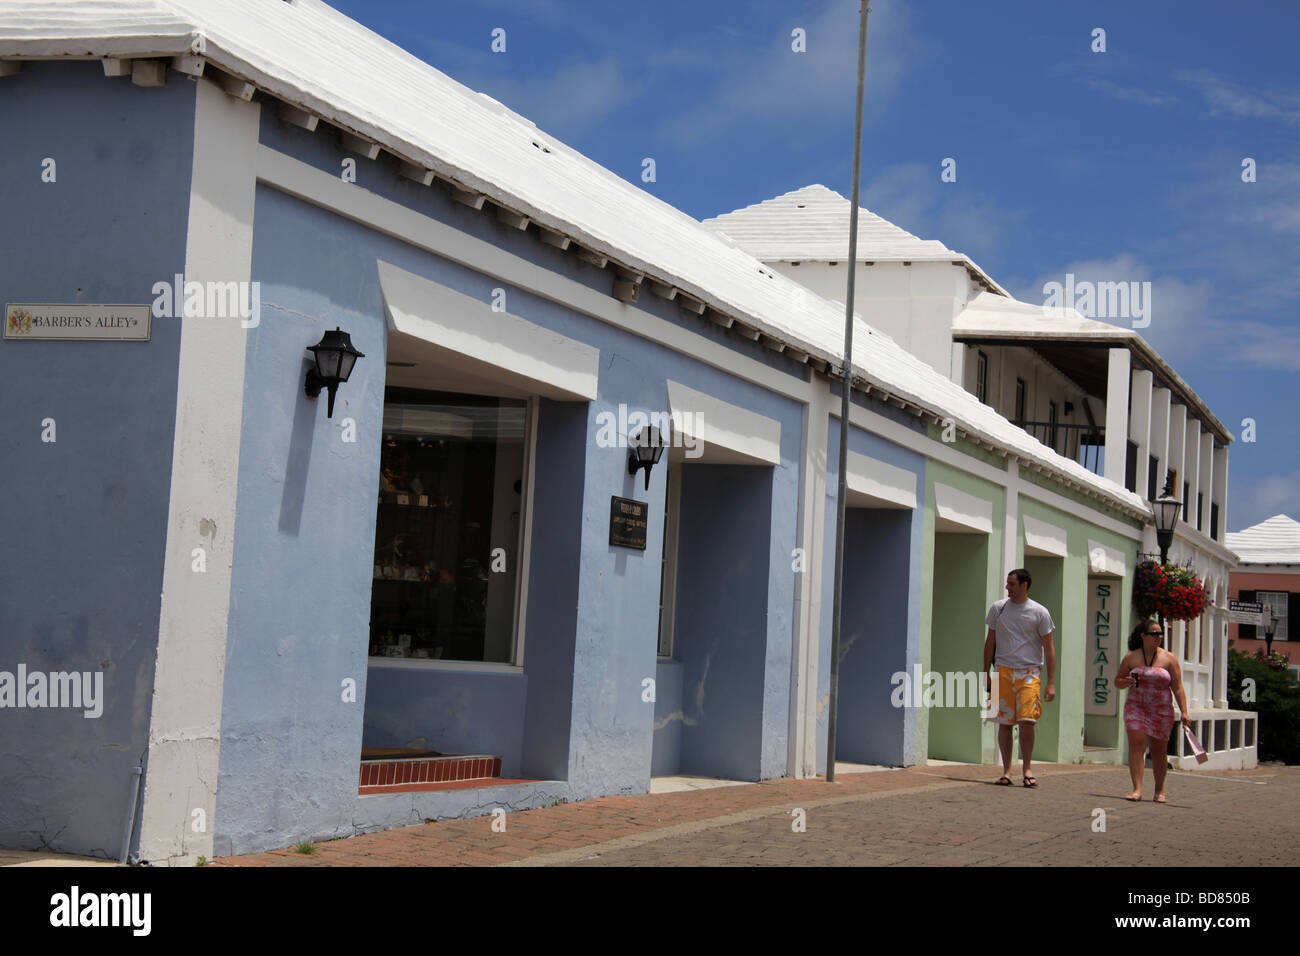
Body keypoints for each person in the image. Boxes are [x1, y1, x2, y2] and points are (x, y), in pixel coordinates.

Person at [983, 569, 1056, 788]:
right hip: (1003, 670)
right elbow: (990, 642)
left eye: (1012, 584)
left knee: (1027, 721)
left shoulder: (1040, 612)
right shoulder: (998, 608)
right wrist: (984, 673)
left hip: (1029, 672)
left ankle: (1027, 768)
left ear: (1024, 585)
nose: (1008, 588)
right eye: (1007, 583)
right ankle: (1006, 771)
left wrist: (1051, 682)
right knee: (1004, 723)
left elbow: (1049, 648)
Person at [1113, 618, 1191, 803]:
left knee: (1158, 750)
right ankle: (1137, 789)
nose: (1159, 637)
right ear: (1143, 636)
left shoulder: (1169, 658)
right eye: (1154, 634)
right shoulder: (1131, 658)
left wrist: (1184, 711)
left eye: (1160, 634)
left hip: (1161, 710)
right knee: (1137, 744)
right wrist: (1124, 682)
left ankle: (1159, 790)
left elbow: (1178, 687)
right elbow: (1117, 680)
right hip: (1136, 707)